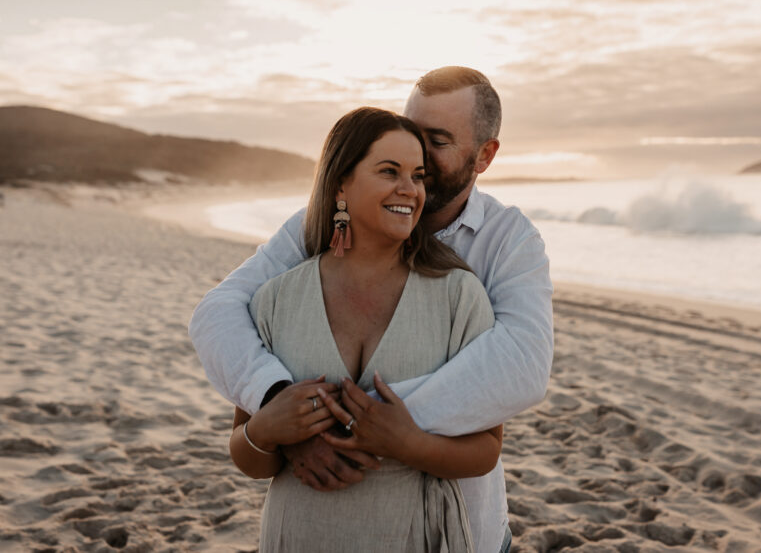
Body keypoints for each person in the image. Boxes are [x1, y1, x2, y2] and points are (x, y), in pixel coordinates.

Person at [191, 66, 553, 553]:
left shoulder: (506, 243)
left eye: (436, 141)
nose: (415, 152)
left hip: (455, 531)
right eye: (409, 132)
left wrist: (366, 427)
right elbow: (218, 313)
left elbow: (522, 365)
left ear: (484, 155)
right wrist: (282, 410)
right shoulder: (313, 233)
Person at [229, 107, 502, 551]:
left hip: (413, 535)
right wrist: (267, 430)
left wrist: (408, 444)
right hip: (299, 535)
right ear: (341, 182)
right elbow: (247, 456)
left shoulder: (459, 296)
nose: (409, 190)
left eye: (418, 176)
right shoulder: (274, 300)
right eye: (389, 171)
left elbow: (487, 449)